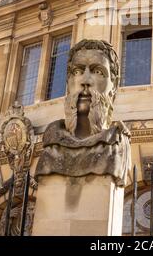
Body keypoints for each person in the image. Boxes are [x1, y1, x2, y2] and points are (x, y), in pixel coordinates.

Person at [35, 39, 131, 186]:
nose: (85, 80)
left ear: (114, 85)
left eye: (98, 71)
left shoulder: (115, 147)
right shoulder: (51, 147)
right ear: (68, 82)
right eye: (77, 71)